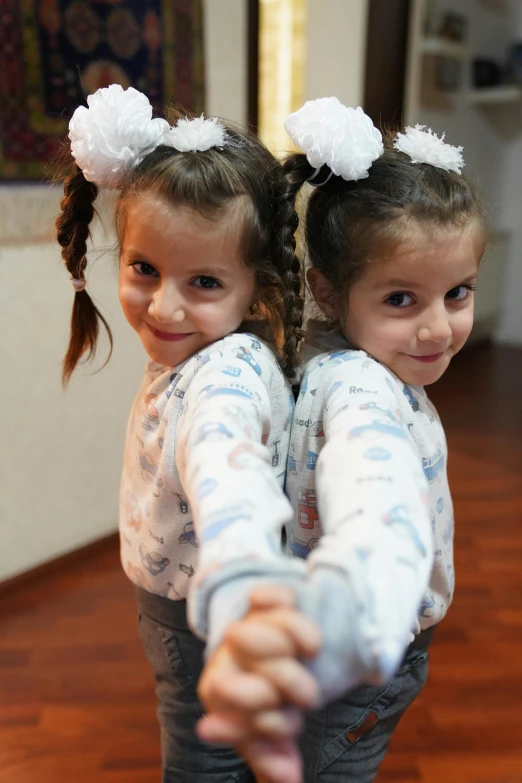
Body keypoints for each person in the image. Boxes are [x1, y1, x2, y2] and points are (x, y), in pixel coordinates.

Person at [197, 98, 487, 783]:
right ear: (328, 291)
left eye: (458, 292)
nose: (440, 329)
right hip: (365, 644)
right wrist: (351, 623)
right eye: (402, 299)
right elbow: (377, 499)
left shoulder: (331, 352)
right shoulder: (364, 389)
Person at [55, 84, 318, 783]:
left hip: (198, 613)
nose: (164, 305)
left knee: (199, 765)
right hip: (186, 606)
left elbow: (223, 468)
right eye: (145, 268)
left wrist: (240, 572)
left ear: (255, 287)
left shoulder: (222, 378)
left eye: (203, 280)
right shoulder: (212, 350)